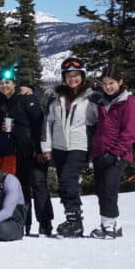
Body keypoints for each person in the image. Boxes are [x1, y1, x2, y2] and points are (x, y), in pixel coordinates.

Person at [40, 56, 95, 238]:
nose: (73, 79)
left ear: (82, 76)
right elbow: (47, 124)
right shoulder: (55, 99)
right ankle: (72, 218)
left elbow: (96, 124)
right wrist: (46, 148)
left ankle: (74, 220)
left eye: (76, 75)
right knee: (64, 183)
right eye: (69, 75)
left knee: (67, 181)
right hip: (59, 147)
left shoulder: (91, 98)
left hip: (79, 145)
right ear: (64, 78)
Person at [0, 70, 49, 236]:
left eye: (7, 82)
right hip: (16, 152)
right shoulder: (2, 102)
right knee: (22, 188)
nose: (4, 85)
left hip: (32, 150)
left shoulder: (26, 99)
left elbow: (38, 124)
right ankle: (25, 222)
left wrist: (40, 148)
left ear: (14, 84)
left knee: (38, 185)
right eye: (1, 83)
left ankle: (45, 223)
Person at [88, 65, 135, 239]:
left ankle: (109, 226)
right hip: (100, 153)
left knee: (109, 188)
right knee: (101, 189)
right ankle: (113, 224)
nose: (108, 87)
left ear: (120, 82)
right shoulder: (103, 102)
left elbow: (132, 131)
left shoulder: (128, 102)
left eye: (111, 83)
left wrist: (115, 153)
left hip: (118, 154)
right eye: (104, 84)